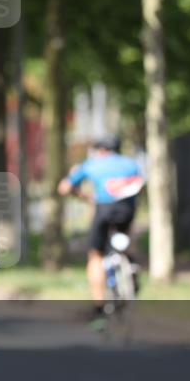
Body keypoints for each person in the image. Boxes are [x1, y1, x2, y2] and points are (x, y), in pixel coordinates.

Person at [57, 134, 144, 316]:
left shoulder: (91, 164)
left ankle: (99, 305)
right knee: (126, 236)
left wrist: (82, 196)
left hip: (103, 208)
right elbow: (140, 184)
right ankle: (131, 264)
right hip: (126, 208)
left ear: (100, 150)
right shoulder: (130, 163)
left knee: (95, 255)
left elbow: (64, 187)